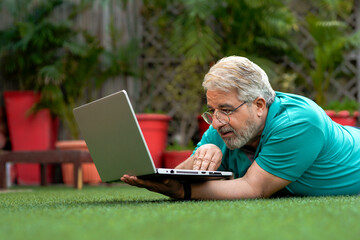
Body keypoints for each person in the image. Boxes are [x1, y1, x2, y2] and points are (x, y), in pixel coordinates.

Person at [121, 56, 360, 200]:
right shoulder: (223, 124)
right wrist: (198, 163)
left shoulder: (299, 122)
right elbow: (181, 172)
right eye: (212, 110)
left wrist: (184, 192)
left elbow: (254, 188)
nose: (216, 122)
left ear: (258, 105)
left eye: (225, 109)